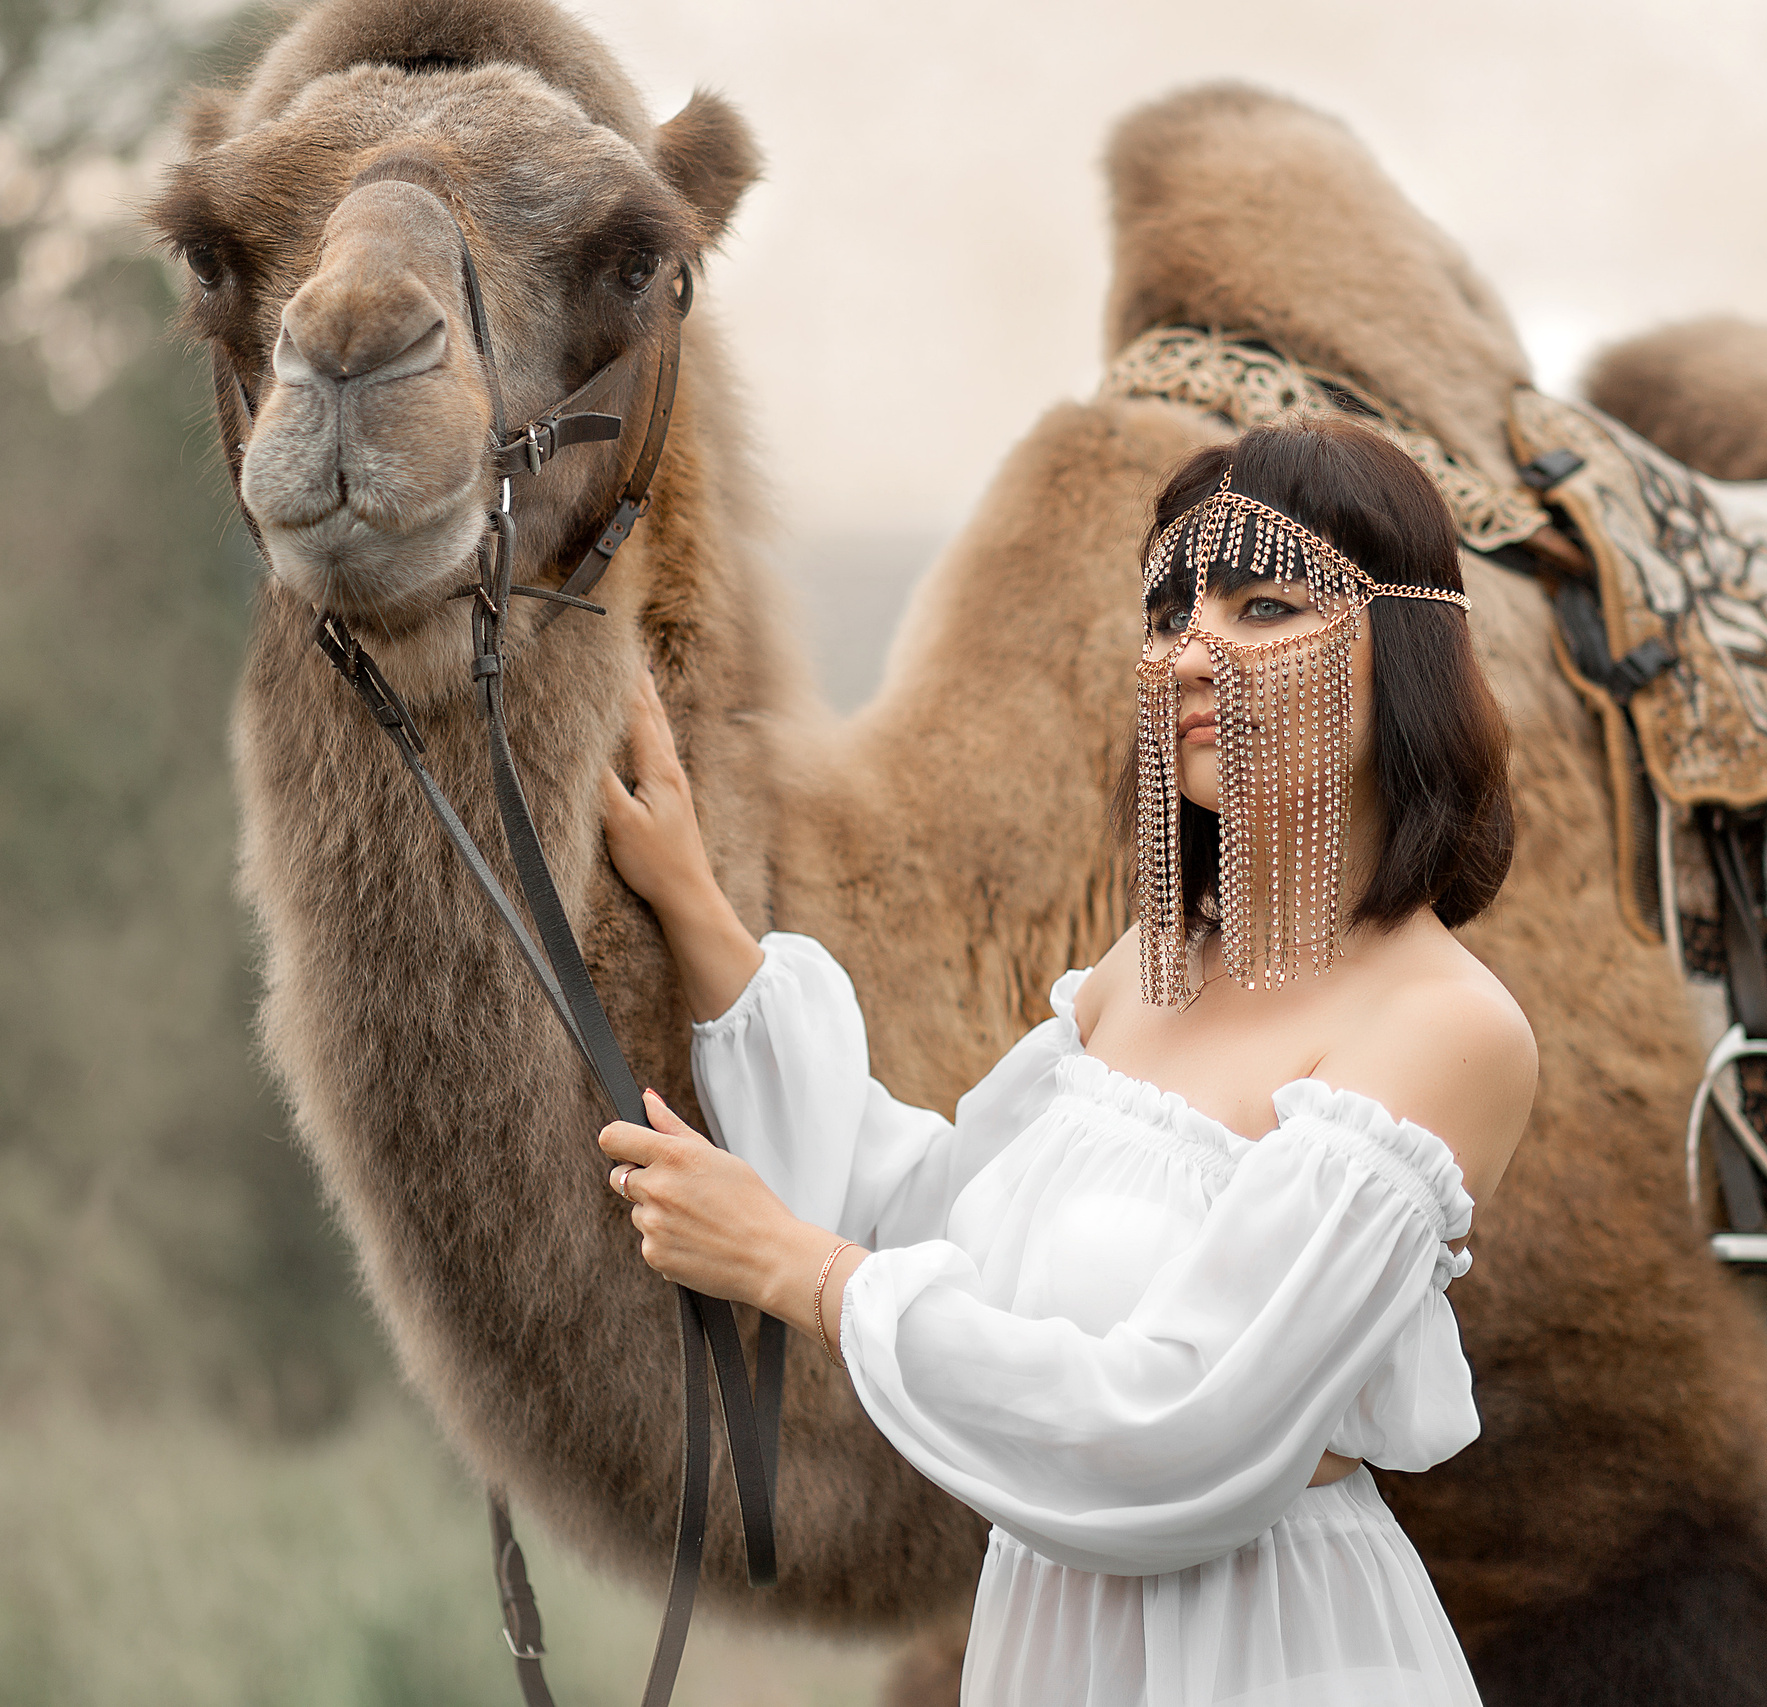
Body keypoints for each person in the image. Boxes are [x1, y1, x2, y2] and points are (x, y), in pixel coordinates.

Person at [596, 416, 1536, 1705]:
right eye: (1170, 615)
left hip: (1270, 1661)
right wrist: (697, 909)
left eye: (1262, 606)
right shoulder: (1146, 967)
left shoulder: (1445, 1029)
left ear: (1405, 657)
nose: (1191, 653)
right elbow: (926, 1213)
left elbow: (1182, 1434)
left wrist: (790, 1268)